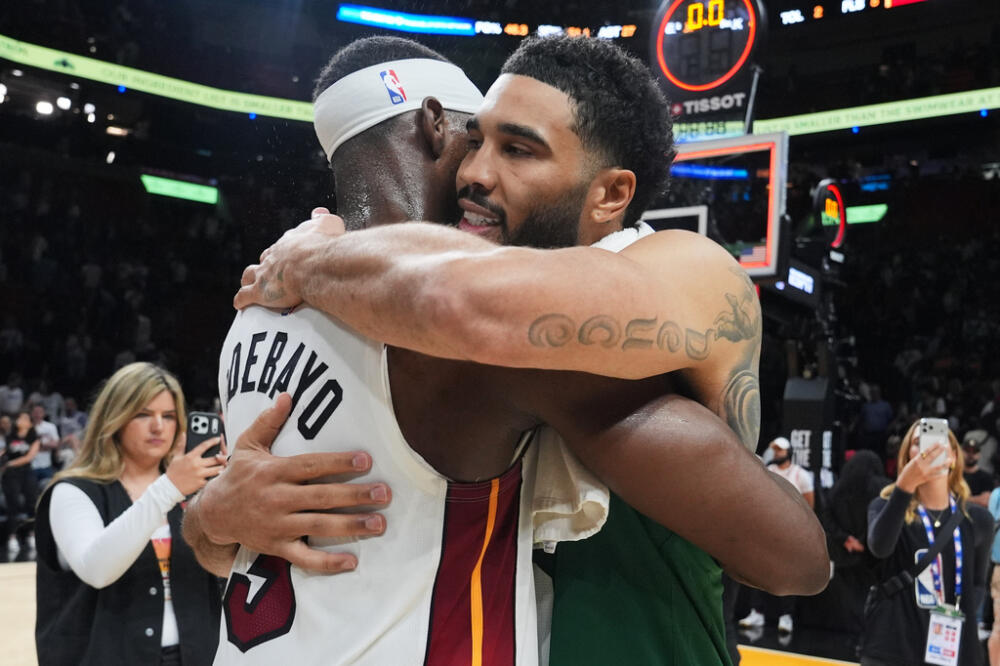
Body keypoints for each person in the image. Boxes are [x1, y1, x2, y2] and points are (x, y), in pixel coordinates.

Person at [186, 36, 828, 665]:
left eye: (516, 150)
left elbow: (468, 304)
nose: (474, 172)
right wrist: (213, 518)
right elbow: (240, 542)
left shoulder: (680, 266)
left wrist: (320, 258)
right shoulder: (338, 302)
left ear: (610, 194)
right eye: (479, 140)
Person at [34, 362, 226, 666]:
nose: (158, 427)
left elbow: (226, 570)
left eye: (169, 416)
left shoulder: (194, 491)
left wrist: (230, 495)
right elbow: (96, 569)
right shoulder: (72, 492)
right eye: (143, 415)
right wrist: (169, 487)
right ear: (115, 419)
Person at [860, 419, 992, 666]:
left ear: (953, 457)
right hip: (893, 647)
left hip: (951, 652)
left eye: (938, 442)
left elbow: (977, 585)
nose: (928, 448)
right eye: (918, 443)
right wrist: (905, 486)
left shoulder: (978, 520)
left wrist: (950, 620)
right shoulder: (884, 507)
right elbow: (880, 547)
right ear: (907, 456)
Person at [738, 436, 815, 634]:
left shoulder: (801, 475)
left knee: (787, 575)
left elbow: (810, 507)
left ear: (789, 452)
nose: (776, 454)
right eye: (775, 450)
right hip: (767, 531)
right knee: (757, 573)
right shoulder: (768, 471)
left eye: (780, 450)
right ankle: (757, 612)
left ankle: (786, 616)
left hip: (791, 535)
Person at [819, 450, 889, 634]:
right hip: (873, 555)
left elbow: (826, 517)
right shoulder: (882, 488)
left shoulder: (838, 488)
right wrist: (864, 541)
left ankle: (851, 633)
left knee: (848, 598)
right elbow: (885, 517)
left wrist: (846, 539)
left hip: (845, 552)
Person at [1, 409, 40, 561]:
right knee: (13, 505)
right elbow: (5, 452)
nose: (20, 420)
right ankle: (12, 537)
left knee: (32, 504)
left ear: (29, 423)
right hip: (11, 475)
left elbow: (29, 457)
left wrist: (9, 463)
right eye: (19, 417)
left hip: (26, 472)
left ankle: (32, 535)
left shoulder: (34, 438)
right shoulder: (10, 436)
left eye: (24, 417)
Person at [29, 403, 59, 486]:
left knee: (48, 490)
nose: (37, 414)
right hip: (31, 466)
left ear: (44, 413)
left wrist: (39, 444)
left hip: (46, 466)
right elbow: (26, 446)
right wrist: (46, 443)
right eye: (35, 412)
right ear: (31, 413)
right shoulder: (27, 426)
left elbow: (55, 444)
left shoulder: (50, 426)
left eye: (40, 412)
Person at [964, 433, 995, 508]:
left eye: (974, 452)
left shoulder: (986, 477)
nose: (970, 455)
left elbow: (985, 501)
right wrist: (975, 499)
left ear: (979, 454)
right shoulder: (953, 474)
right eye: (967, 451)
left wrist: (960, 499)